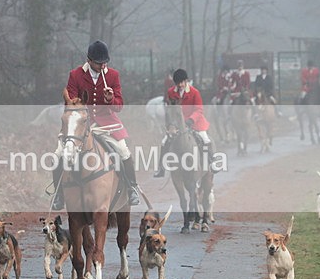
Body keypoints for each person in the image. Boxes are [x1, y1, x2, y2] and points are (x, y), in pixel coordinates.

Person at [51, 40, 140, 211]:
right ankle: (58, 194)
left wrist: (110, 99)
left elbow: (119, 106)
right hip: (79, 125)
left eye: (105, 62)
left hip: (106, 124)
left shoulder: (113, 75)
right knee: (59, 154)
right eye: (99, 63)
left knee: (123, 151)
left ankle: (132, 188)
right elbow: (71, 103)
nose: (103, 65)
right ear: (89, 60)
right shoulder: (75, 75)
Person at [154, 68, 212, 178]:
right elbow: (170, 110)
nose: (180, 85)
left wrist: (191, 120)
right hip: (177, 125)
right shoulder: (171, 92)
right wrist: (170, 124)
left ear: (186, 81)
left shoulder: (194, 92)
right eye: (177, 83)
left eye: (181, 82)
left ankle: (212, 161)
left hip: (195, 122)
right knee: (164, 141)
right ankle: (161, 168)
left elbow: (199, 109)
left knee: (205, 138)